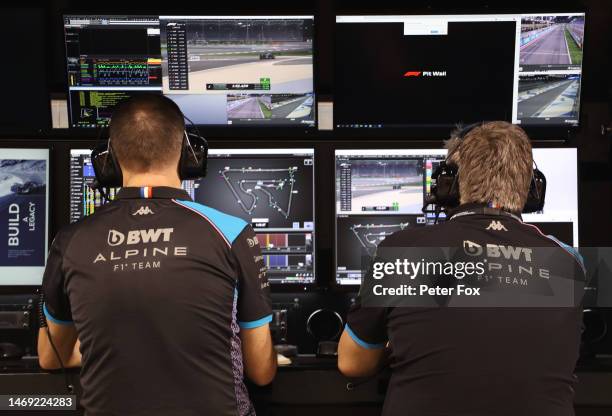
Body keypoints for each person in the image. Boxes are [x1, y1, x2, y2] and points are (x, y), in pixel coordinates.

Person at [37, 94, 276, 416]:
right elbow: (261, 371)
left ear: (108, 158)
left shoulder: (69, 240)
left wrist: (113, 350)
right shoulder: (231, 231)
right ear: (188, 153)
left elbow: (51, 357)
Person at [337, 121, 584, 416]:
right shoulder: (568, 263)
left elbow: (352, 364)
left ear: (449, 185)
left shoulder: (400, 251)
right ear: (531, 190)